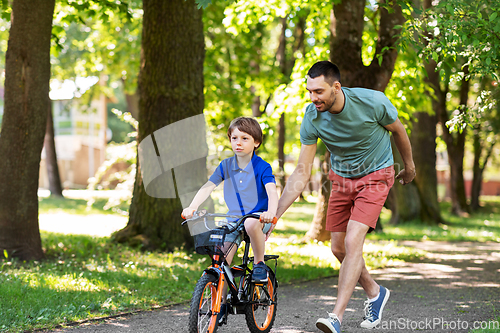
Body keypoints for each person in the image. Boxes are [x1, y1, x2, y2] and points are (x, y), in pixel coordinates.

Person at [272, 61, 416, 333]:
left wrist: (409, 167)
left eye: (319, 91)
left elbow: (398, 130)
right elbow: (302, 172)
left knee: (352, 241)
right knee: (337, 248)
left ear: (336, 87)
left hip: (376, 175)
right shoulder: (311, 116)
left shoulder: (372, 102)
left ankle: (336, 316)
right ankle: (375, 291)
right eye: (309, 91)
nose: (313, 98)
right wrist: (277, 213)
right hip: (341, 178)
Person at [182, 116, 278, 323]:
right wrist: (193, 206)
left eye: (245, 138)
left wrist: (271, 212)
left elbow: (272, 192)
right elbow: (208, 186)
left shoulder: (262, 167)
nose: (239, 143)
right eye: (234, 138)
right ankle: (221, 302)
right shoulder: (226, 165)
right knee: (221, 260)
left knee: (250, 223)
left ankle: (259, 263)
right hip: (233, 218)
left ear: (256, 142)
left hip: (259, 216)